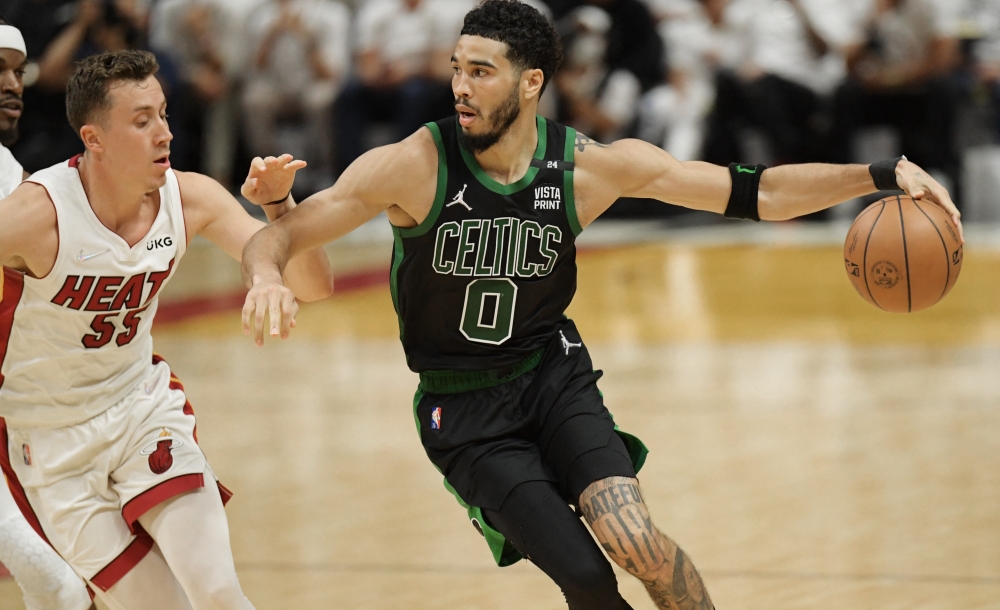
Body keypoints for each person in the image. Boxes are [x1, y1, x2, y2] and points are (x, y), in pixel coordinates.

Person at [239, 1, 961, 607]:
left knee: (637, 542)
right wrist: (268, 271)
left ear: (530, 85)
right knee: (587, 578)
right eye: (457, 67)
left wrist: (879, 173)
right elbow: (286, 235)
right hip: (464, 411)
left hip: (553, 378)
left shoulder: (585, 167)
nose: (460, 85)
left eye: (480, 71)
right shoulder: (411, 165)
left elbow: (756, 191)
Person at [0, 49, 334, 609]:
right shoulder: (36, 217)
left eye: (163, 114)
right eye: (141, 121)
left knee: (219, 592)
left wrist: (279, 208)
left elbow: (314, 284)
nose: (164, 133)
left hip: (140, 409)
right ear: (94, 138)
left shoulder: (191, 197)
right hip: (49, 438)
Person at [0, 18, 94, 610]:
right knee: (57, 586)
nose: (14, 84)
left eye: (17, 71)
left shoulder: (11, 174)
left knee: (58, 585)